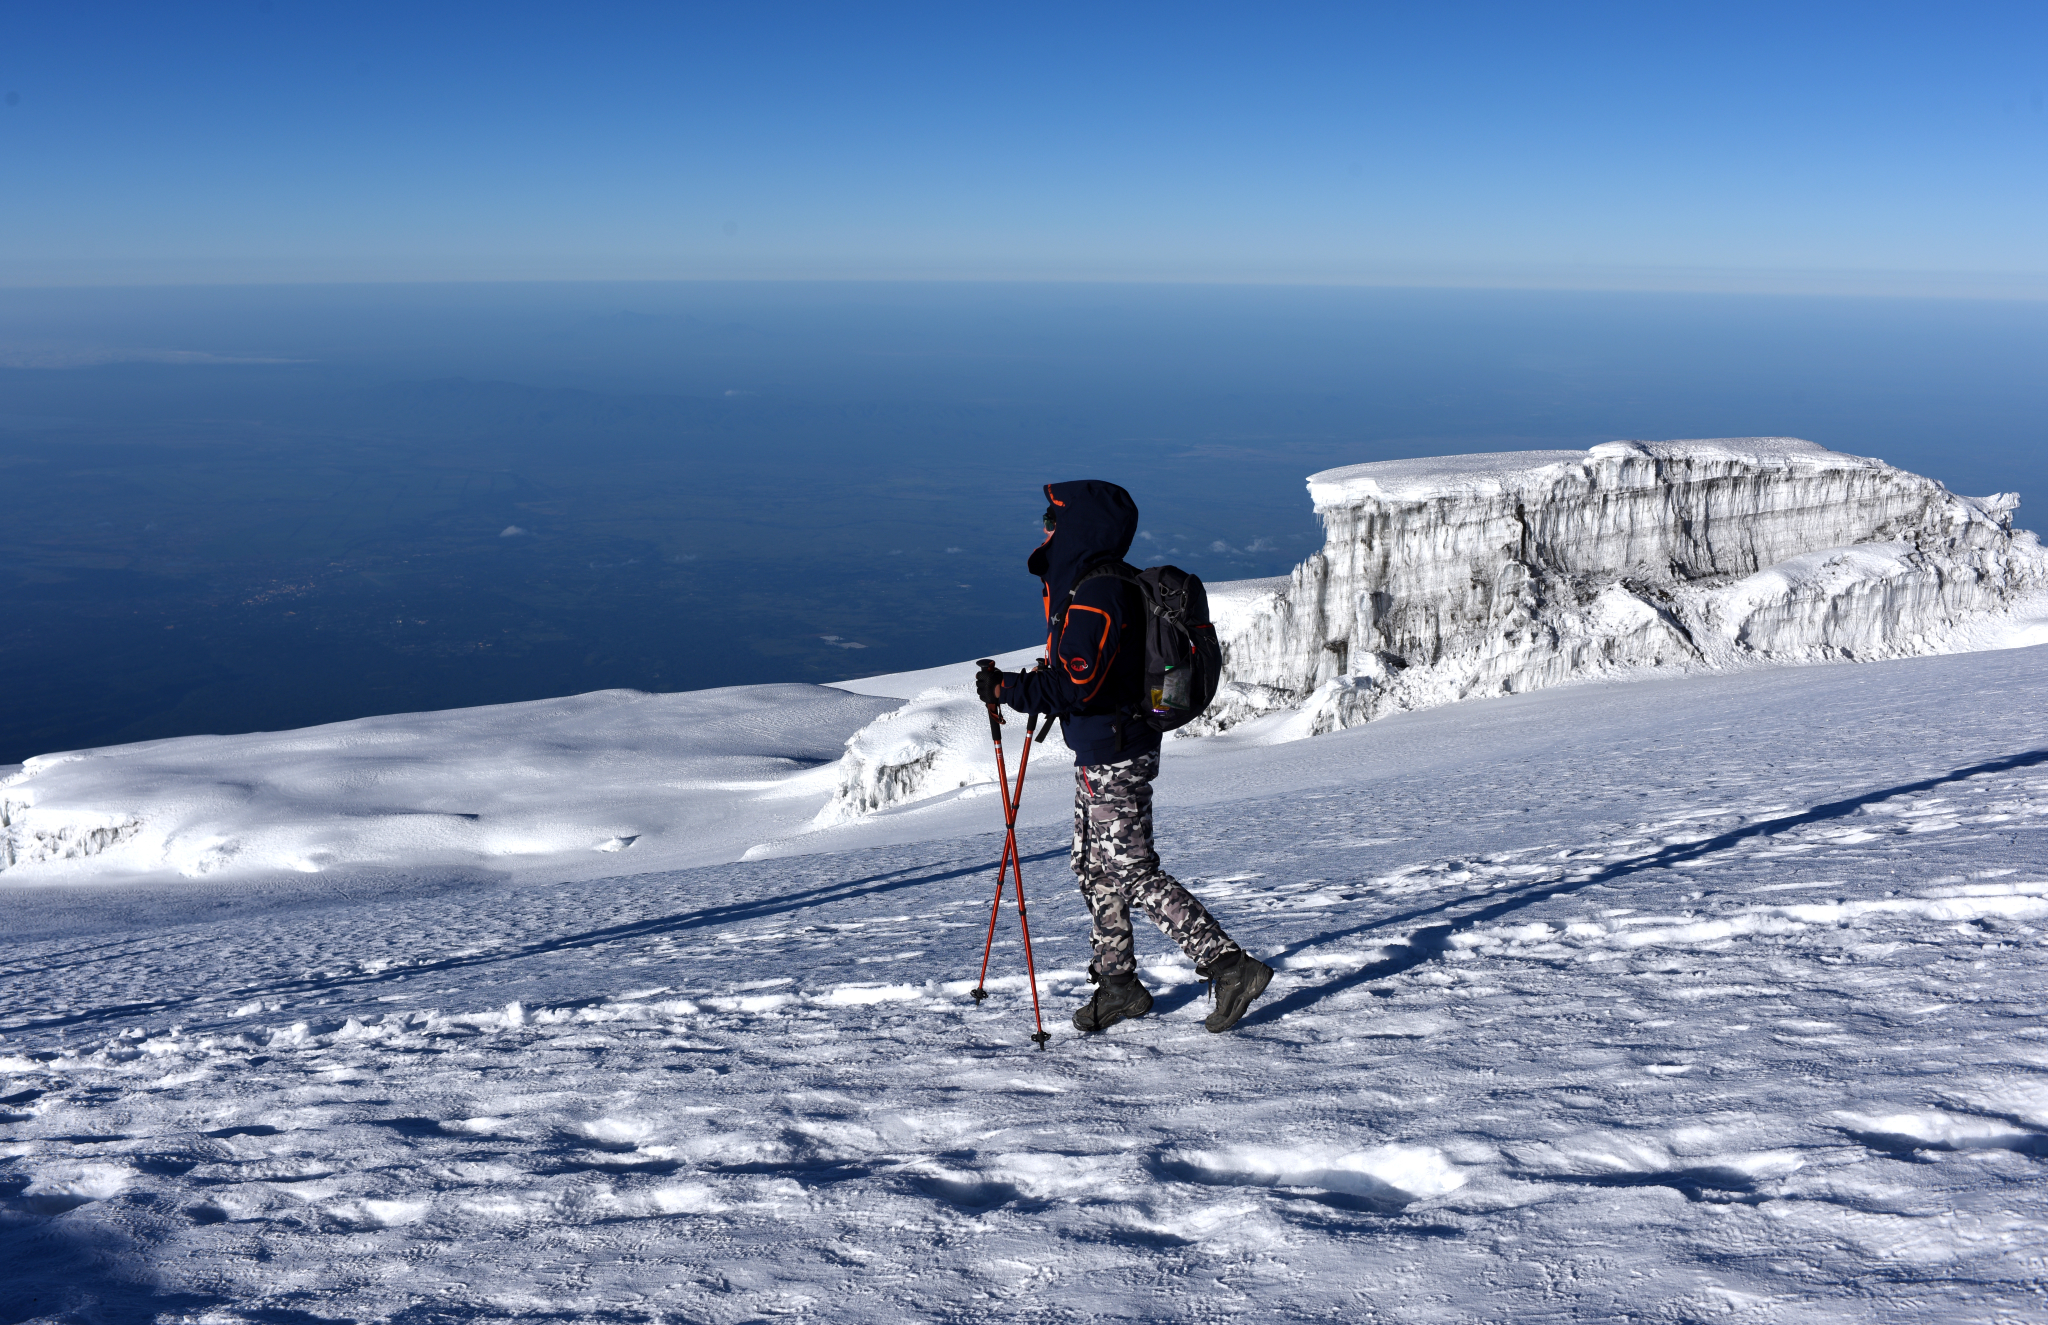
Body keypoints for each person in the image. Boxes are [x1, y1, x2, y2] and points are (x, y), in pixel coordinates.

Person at [975, 480, 1273, 1034]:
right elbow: (1091, 675)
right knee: (1093, 866)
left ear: (1078, 525)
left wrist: (1007, 691)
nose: (1044, 527)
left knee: (1133, 871)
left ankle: (1231, 967)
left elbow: (1076, 688)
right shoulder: (1097, 586)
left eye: (1052, 517)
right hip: (1102, 748)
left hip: (1115, 752)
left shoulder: (1096, 595)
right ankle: (1119, 986)